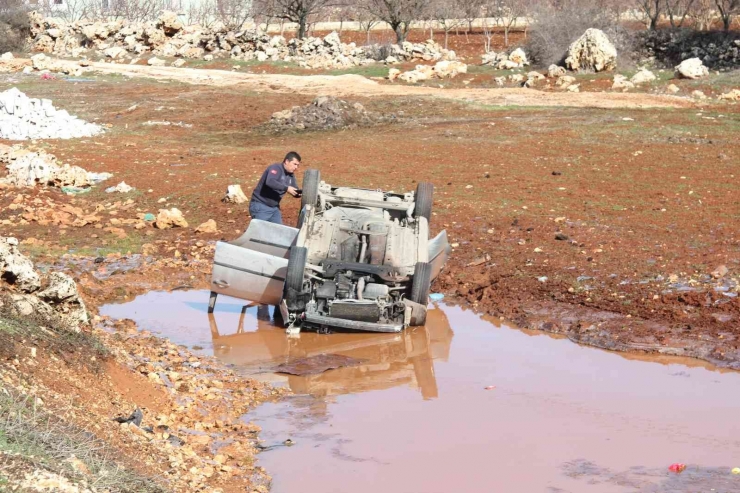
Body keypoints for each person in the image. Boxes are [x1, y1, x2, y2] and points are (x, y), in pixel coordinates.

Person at [249, 151, 301, 225]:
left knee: (278, 232)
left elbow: (294, 189)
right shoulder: (276, 168)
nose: (296, 167)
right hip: (261, 205)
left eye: (298, 165)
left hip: (274, 209)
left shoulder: (291, 175)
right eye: (294, 164)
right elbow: (270, 181)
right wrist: (286, 188)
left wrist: (298, 194)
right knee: (260, 234)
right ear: (286, 161)